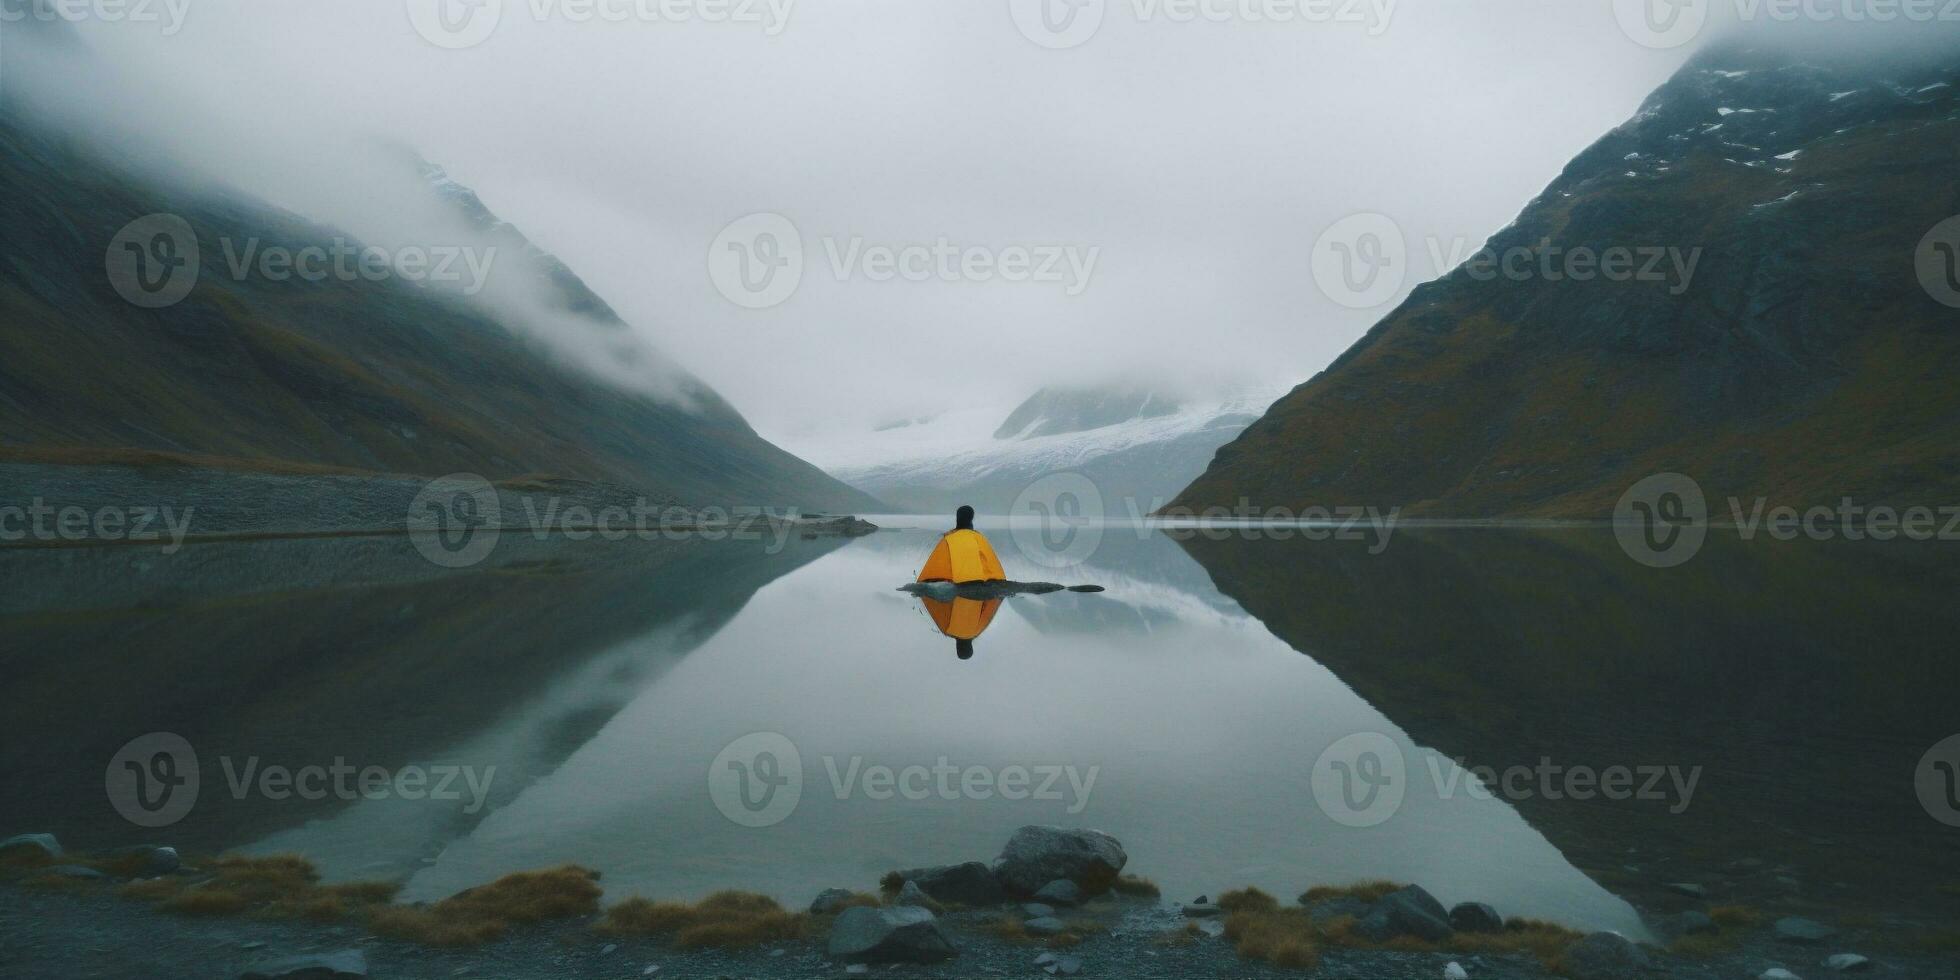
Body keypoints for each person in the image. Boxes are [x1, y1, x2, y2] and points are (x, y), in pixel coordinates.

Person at [915, 505, 1006, 585]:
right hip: (979, 581)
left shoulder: (948, 538)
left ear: (957, 518)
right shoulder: (979, 538)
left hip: (950, 581)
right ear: (972, 518)